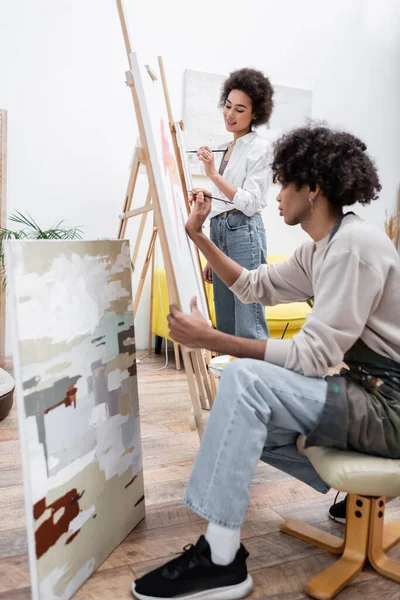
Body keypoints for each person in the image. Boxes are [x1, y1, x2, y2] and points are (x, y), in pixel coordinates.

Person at [131, 124, 400, 600]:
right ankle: (352, 494)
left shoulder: (355, 248)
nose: (275, 195)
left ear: (312, 188)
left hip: (390, 409)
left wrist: (215, 339)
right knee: (243, 418)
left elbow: (315, 357)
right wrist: (199, 237)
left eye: (283, 183)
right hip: (363, 394)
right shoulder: (322, 247)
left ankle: (220, 560)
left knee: (245, 381)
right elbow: (256, 286)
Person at [196, 68, 274, 340]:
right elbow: (223, 202)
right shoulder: (224, 147)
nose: (230, 114)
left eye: (239, 110)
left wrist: (213, 176)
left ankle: (255, 381)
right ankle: (231, 381)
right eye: (228, 106)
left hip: (243, 230)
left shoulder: (260, 147)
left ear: (255, 114)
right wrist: (212, 253)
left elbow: (249, 203)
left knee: (248, 322)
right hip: (220, 230)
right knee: (226, 324)